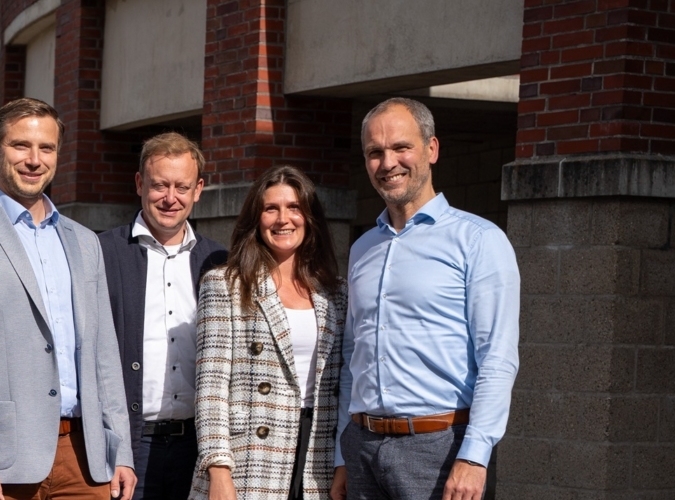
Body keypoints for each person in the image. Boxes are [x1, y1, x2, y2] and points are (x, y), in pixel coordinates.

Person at [0, 97, 136, 500]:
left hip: (85, 458)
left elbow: (103, 355)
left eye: (47, 148)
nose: (34, 159)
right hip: (0, 463)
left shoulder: (84, 241)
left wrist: (120, 449)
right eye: (21, 145)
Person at [331, 98, 520, 500]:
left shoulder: (479, 241)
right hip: (362, 448)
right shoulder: (363, 248)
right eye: (375, 152)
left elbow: (498, 357)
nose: (388, 163)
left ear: (431, 149)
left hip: (439, 449)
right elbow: (353, 355)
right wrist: (342, 453)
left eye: (402, 148)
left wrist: (475, 455)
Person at [192, 165, 346, 500]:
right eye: (270, 208)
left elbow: (342, 385)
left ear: (310, 216)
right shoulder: (225, 285)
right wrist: (218, 469)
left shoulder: (336, 294)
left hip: (317, 452)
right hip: (250, 455)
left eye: (294, 208)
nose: (283, 219)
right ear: (255, 218)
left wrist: (342, 463)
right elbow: (211, 388)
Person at [97, 132, 227, 500]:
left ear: (198, 189)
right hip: (126, 448)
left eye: (182, 187)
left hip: (197, 449)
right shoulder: (102, 252)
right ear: (140, 183)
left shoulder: (219, 262)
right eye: (160, 185)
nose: (171, 198)